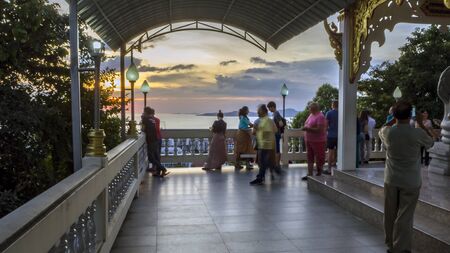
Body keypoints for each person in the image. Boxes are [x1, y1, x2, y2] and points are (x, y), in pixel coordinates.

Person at [379, 101, 434, 253]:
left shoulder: (388, 132)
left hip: (391, 179)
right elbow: (431, 142)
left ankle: (390, 244)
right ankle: (401, 248)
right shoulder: (417, 133)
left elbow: (383, 128)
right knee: (405, 215)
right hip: (411, 180)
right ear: (411, 115)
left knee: (390, 213)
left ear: (394, 115)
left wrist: (390, 120)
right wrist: (421, 124)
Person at [250, 104, 280, 185]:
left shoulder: (257, 121)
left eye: (258, 111)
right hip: (270, 144)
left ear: (262, 112)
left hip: (263, 144)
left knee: (262, 161)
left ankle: (261, 177)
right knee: (266, 161)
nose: (257, 113)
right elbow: (276, 130)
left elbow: (253, 133)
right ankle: (273, 170)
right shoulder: (270, 121)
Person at [301, 103, 327, 180]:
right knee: (309, 157)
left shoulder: (320, 117)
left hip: (318, 141)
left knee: (319, 157)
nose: (309, 109)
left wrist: (308, 129)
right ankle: (309, 174)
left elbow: (320, 130)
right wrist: (306, 128)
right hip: (309, 140)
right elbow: (307, 124)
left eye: (310, 108)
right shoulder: (311, 115)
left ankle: (319, 174)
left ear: (314, 108)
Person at [142, 107, 169, 177]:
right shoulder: (156, 120)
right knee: (157, 156)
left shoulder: (145, 119)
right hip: (157, 139)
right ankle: (158, 171)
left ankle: (162, 169)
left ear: (146, 113)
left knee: (151, 157)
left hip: (152, 140)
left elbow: (143, 129)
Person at [267, 101, 284, 170]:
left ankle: (277, 164)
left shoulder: (276, 113)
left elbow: (281, 124)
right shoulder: (275, 114)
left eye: (269, 108)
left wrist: (275, 127)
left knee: (277, 149)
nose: (269, 110)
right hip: (276, 133)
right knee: (276, 148)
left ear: (272, 107)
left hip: (276, 134)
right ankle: (276, 164)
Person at [324, 100, 338, 175]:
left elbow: (326, 125)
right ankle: (335, 163)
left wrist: (325, 134)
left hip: (331, 135)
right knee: (338, 151)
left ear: (333, 105)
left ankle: (329, 169)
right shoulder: (341, 113)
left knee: (330, 152)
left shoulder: (329, 113)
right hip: (340, 136)